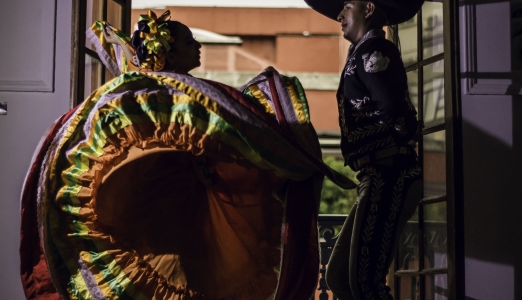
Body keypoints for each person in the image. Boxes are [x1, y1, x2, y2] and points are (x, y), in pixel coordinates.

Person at [20, 10, 354, 300]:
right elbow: (205, 137)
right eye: (190, 41)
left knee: (189, 278)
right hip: (168, 215)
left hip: (188, 215)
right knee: (181, 277)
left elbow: (215, 135)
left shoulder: (186, 96)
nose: (198, 47)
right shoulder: (161, 99)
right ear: (168, 49)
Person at [304, 0, 424, 299]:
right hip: (376, 174)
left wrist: (394, 142)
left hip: (389, 173)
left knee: (364, 281)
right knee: (339, 277)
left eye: (346, 6)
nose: (339, 15)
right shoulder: (363, 53)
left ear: (368, 9)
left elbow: (394, 110)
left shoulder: (373, 51)